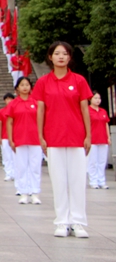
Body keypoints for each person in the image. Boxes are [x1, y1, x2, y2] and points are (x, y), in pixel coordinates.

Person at [32, 41, 92, 238]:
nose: (60, 57)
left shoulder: (79, 81)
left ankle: (78, 222)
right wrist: (41, 136)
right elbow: (40, 110)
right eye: (56, 53)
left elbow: (84, 109)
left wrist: (88, 135)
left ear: (69, 57)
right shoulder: (43, 82)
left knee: (77, 181)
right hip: (54, 137)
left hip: (76, 137)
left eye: (64, 54)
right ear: (50, 57)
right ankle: (62, 222)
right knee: (59, 181)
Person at [6, 77, 41, 205]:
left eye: (27, 85)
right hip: (20, 139)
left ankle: (35, 192)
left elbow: (42, 120)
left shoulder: (36, 103)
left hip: (35, 139)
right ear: (17, 88)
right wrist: (11, 139)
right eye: (22, 85)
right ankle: (23, 193)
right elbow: (9, 122)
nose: (25, 87)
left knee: (35, 167)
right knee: (21, 167)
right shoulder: (14, 104)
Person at [87, 92, 110, 189]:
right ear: (90, 99)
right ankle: (93, 181)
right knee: (93, 161)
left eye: (99, 98)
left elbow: (106, 124)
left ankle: (101, 181)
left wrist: (108, 137)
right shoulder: (87, 110)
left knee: (102, 161)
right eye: (95, 98)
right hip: (92, 140)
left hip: (103, 139)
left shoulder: (103, 111)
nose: (97, 100)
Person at [0, 93, 16, 182]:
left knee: (15, 157)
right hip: (5, 137)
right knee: (7, 156)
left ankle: (15, 174)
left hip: (15, 137)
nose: (9, 101)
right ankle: (8, 173)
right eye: (7, 99)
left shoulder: (16, 110)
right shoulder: (1, 111)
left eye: (10, 99)